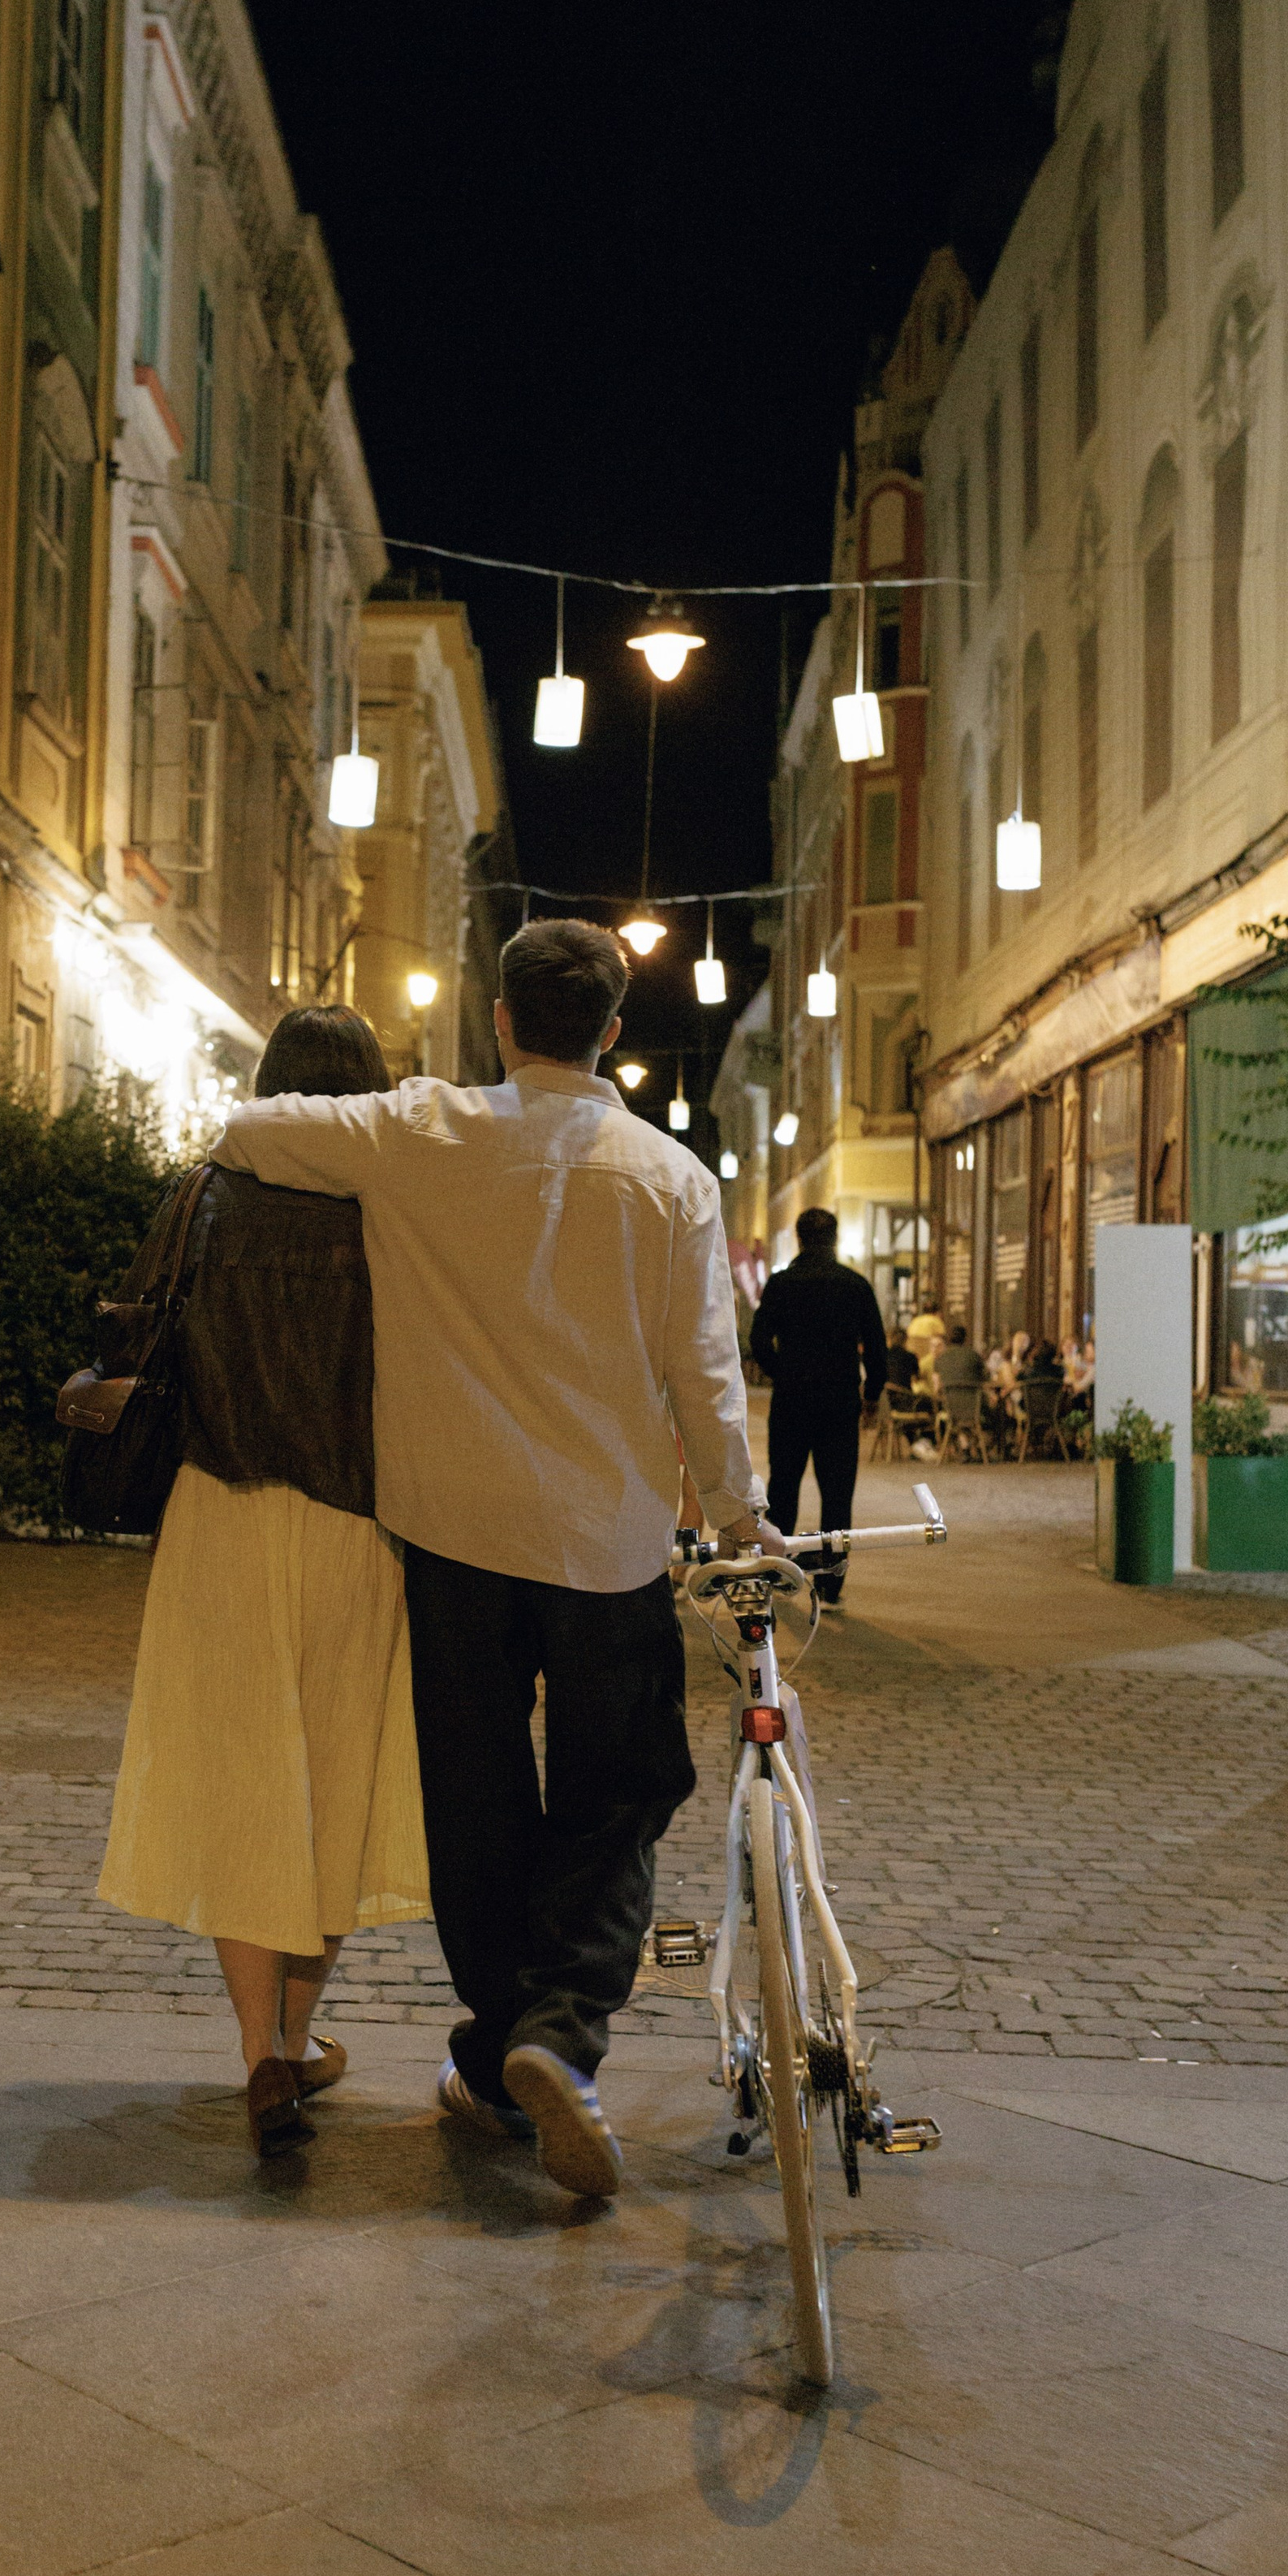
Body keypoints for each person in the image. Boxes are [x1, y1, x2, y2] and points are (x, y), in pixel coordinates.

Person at [211, 918, 765, 2201]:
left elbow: (245, 1132)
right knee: (619, 1792)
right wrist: (741, 1517)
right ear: (613, 1032)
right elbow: (704, 1374)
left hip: (452, 1533)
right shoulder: (671, 1177)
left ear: (501, 1020)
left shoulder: (419, 1129)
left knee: (475, 1799)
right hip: (607, 1541)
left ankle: (498, 2045)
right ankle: (555, 2034)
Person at [97, 1005, 431, 2161]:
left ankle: (260, 2056)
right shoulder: (394, 1207)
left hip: (220, 1516)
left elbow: (139, 1337)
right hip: (356, 1527)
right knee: (335, 1780)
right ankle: (297, 2032)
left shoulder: (202, 1196)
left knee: (247, 1782)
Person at [747, 1209, 886, 1606]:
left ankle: (778, 1573)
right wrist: (871, 1396)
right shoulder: (855, 1285)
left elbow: (758, 1340)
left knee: (783, 1489)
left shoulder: (781, 1284)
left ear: (799, 1238)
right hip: (839, 1403)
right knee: (838, 1495)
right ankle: (830, 1583)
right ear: (835, 1239)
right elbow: (877, 1348)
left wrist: (782, 1372)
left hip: (791, 1402)